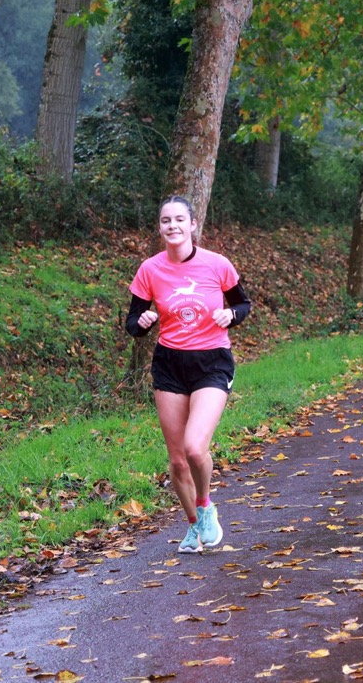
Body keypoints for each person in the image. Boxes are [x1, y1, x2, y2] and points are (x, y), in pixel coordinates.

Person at [125, 196, 251, 554]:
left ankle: (206, 505)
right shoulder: (150, 269)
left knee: (195, 448)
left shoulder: (217, 264)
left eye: (180, 219)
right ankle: (194, 526)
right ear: (159, 227)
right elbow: (132, 323)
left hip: (212, 362)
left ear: (193, 224)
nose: (173, 226)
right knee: (178, 459)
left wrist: (232, 316)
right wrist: (143, 322)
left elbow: (243, 304)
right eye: (166, 220)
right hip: (170, 364)